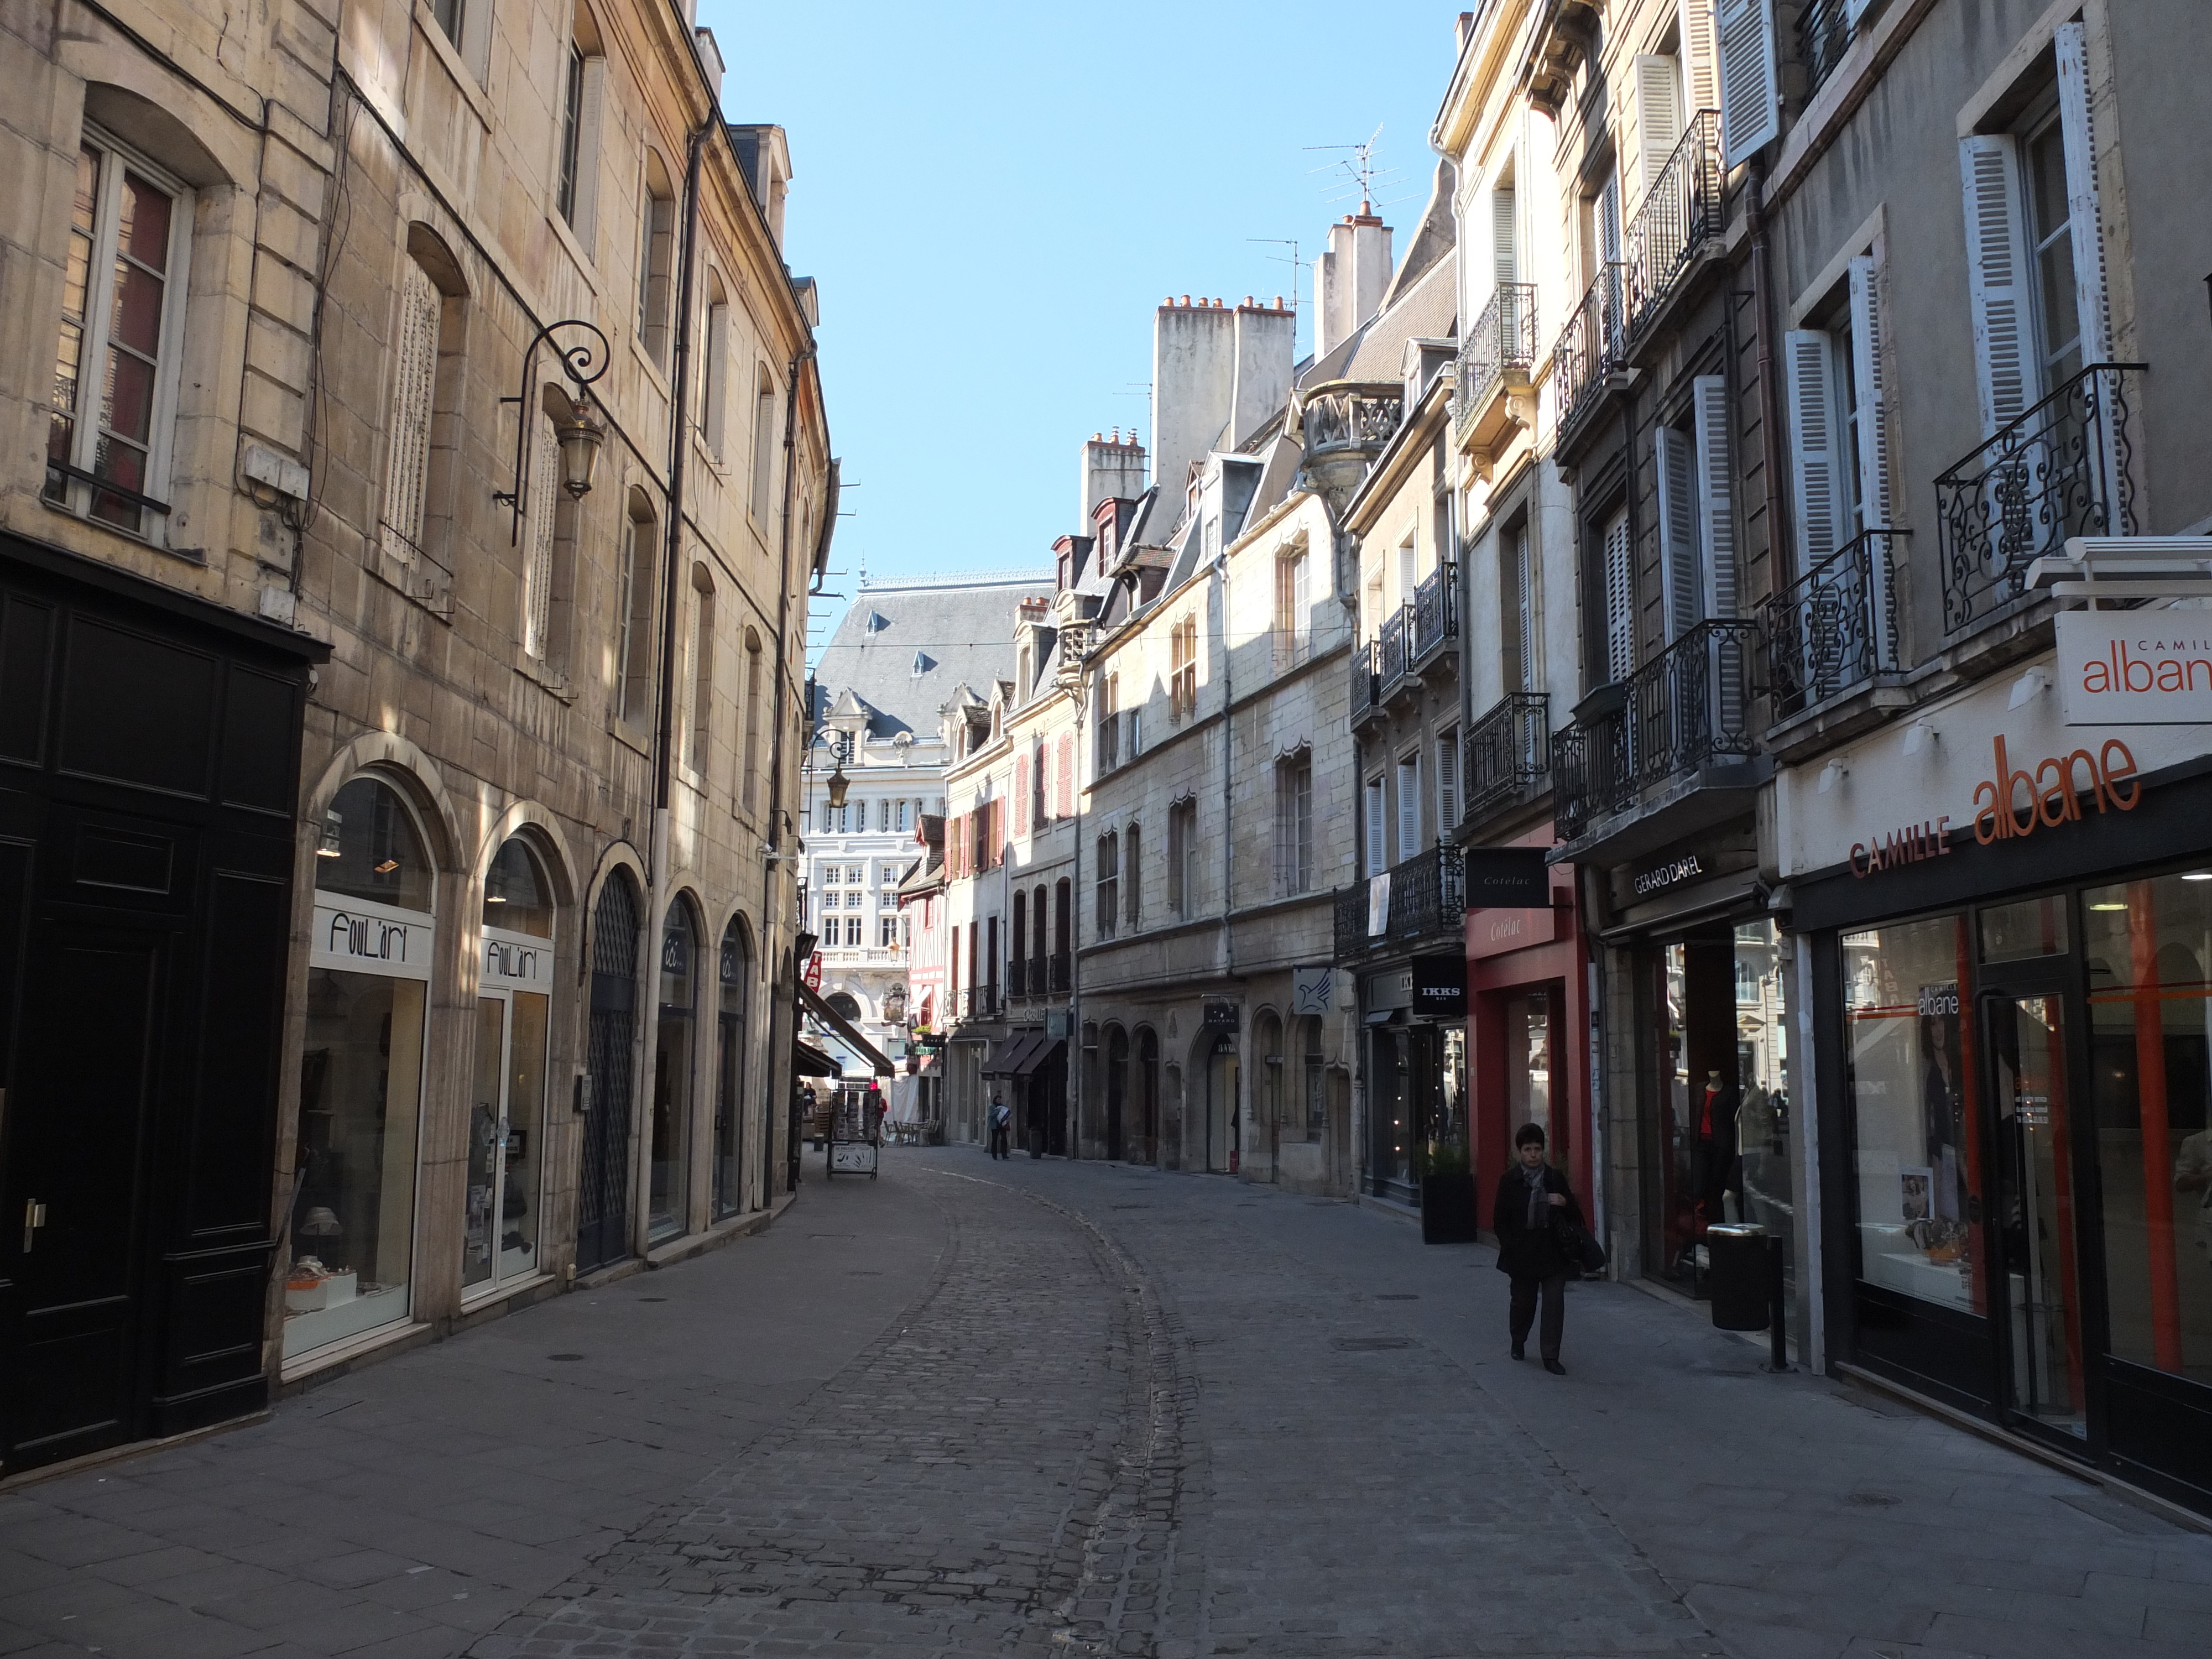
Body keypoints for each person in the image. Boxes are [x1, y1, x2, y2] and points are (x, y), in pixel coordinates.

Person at [1493, 1121, 1583, 1374]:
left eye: (1537, 1149)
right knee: (1523, 1303)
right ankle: (1518, 1340)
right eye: (1528, 1150)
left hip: (1553, 1252)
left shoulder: (1554, 1178)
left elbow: (1577, 1215)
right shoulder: (1510, 1181)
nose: (1533, 1155)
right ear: (1519, 1152)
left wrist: (1564, 1201)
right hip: (1522, 1254)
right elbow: (1500, 1221)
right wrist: (1511, 1246)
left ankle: (1550, 1356)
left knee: (1554, 1305)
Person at [988, 1091, 1011, 1160]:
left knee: (1004, 1139)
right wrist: (997, 1111)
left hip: (1002, 1125)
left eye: (1000, 1099)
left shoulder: (1003, 1107)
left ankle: (1004, 1155)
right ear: (995, 1100)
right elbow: (990, 1116)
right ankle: (994, 1155)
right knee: (995, 1140)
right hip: (995, 1125)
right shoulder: (992, 1107)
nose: (1000, 1101)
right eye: (998, 1099)